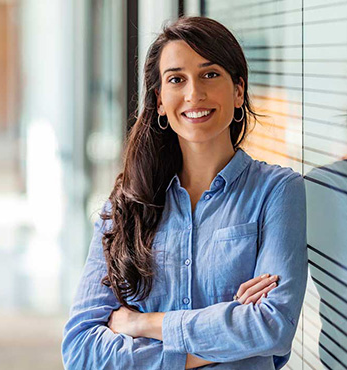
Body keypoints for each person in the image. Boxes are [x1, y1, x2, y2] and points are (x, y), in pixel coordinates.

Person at [62, 16, 307, 369]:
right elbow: (80, 350)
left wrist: (145, 324)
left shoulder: (277, 192)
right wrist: (223, 335)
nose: (194, 93)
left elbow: (272, 326)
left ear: (238, 90)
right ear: (160, 100)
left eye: (210, 74)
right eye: (177, 79)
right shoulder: (126, 205)